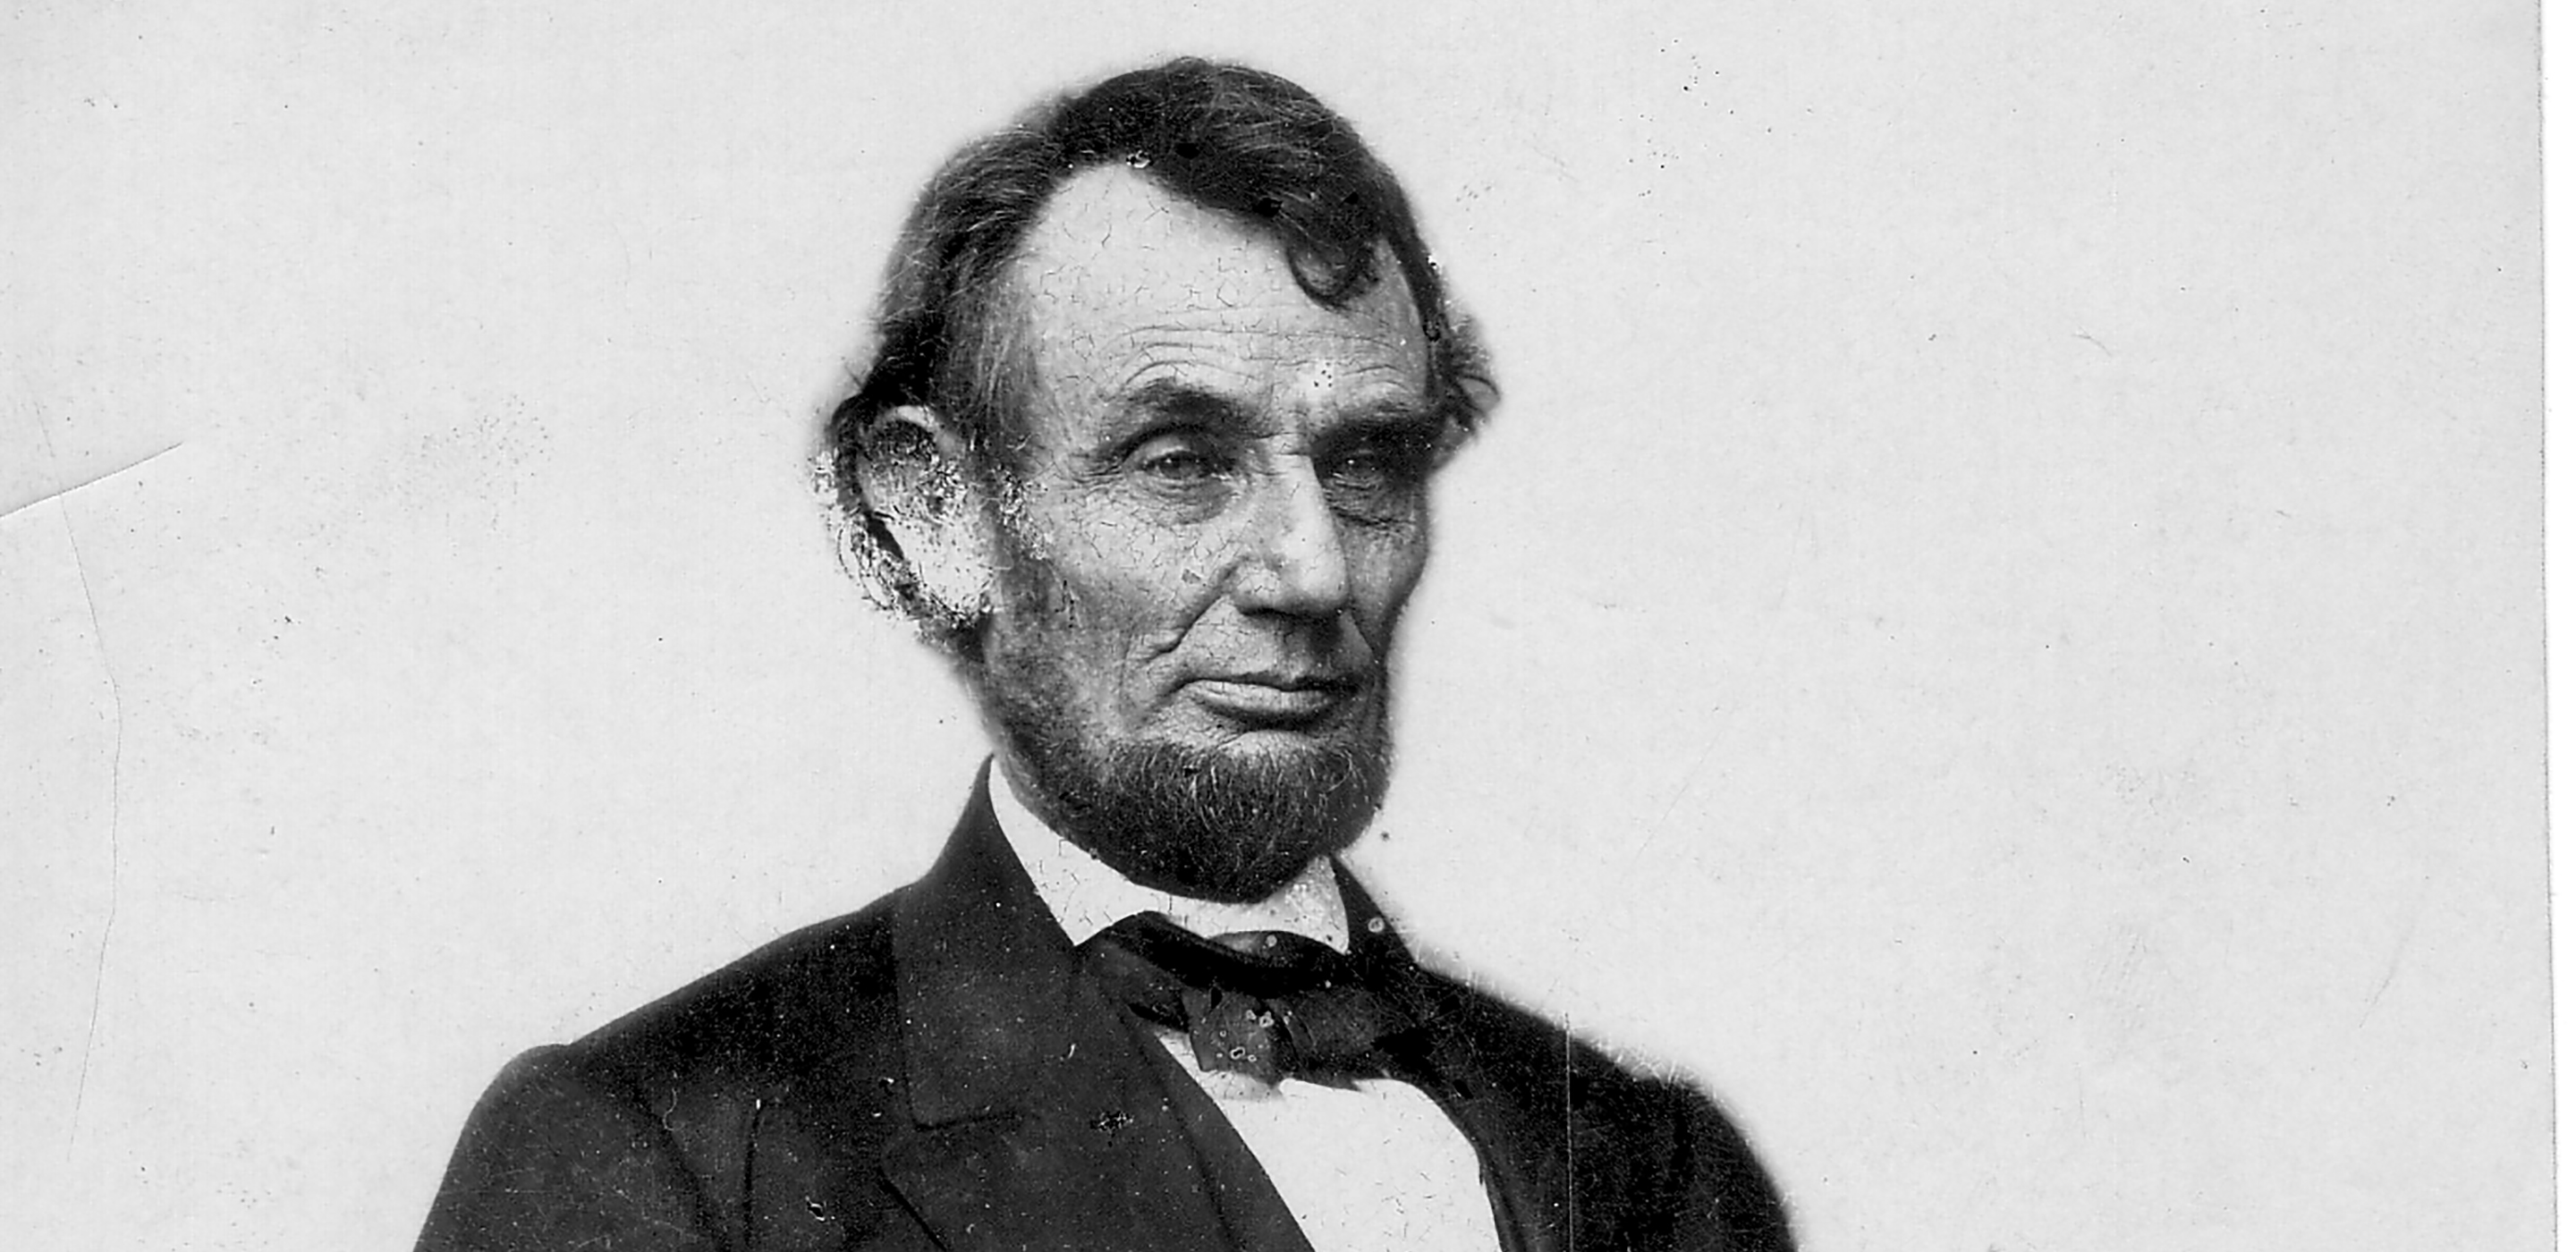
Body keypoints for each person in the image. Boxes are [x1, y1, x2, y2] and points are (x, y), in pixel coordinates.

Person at [416, 57, 1794, 1252]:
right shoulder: (667, 1154)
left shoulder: (1648, 1168)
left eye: (1368, 461)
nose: (1313, 573)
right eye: (1184, 461)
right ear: (938, 515)